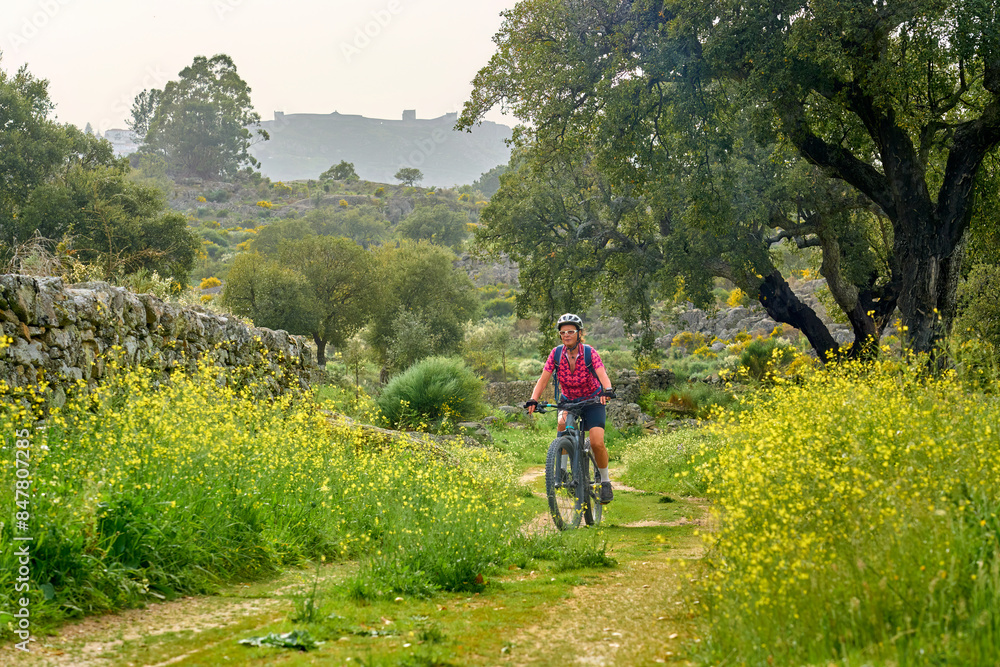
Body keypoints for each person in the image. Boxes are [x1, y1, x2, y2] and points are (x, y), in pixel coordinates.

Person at [524, 313, 616, 503]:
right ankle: (563, 472)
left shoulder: (589, 352)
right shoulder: (556, 354)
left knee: (597, 442)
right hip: (569, 401)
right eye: (563, 332)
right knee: (562, 425)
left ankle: (605, 482)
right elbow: (543, 379)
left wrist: (607, 390)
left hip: (592, 401)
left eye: (570, 332)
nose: (566, 335)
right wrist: (533, 399)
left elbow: (602, 373)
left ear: (578, 333)